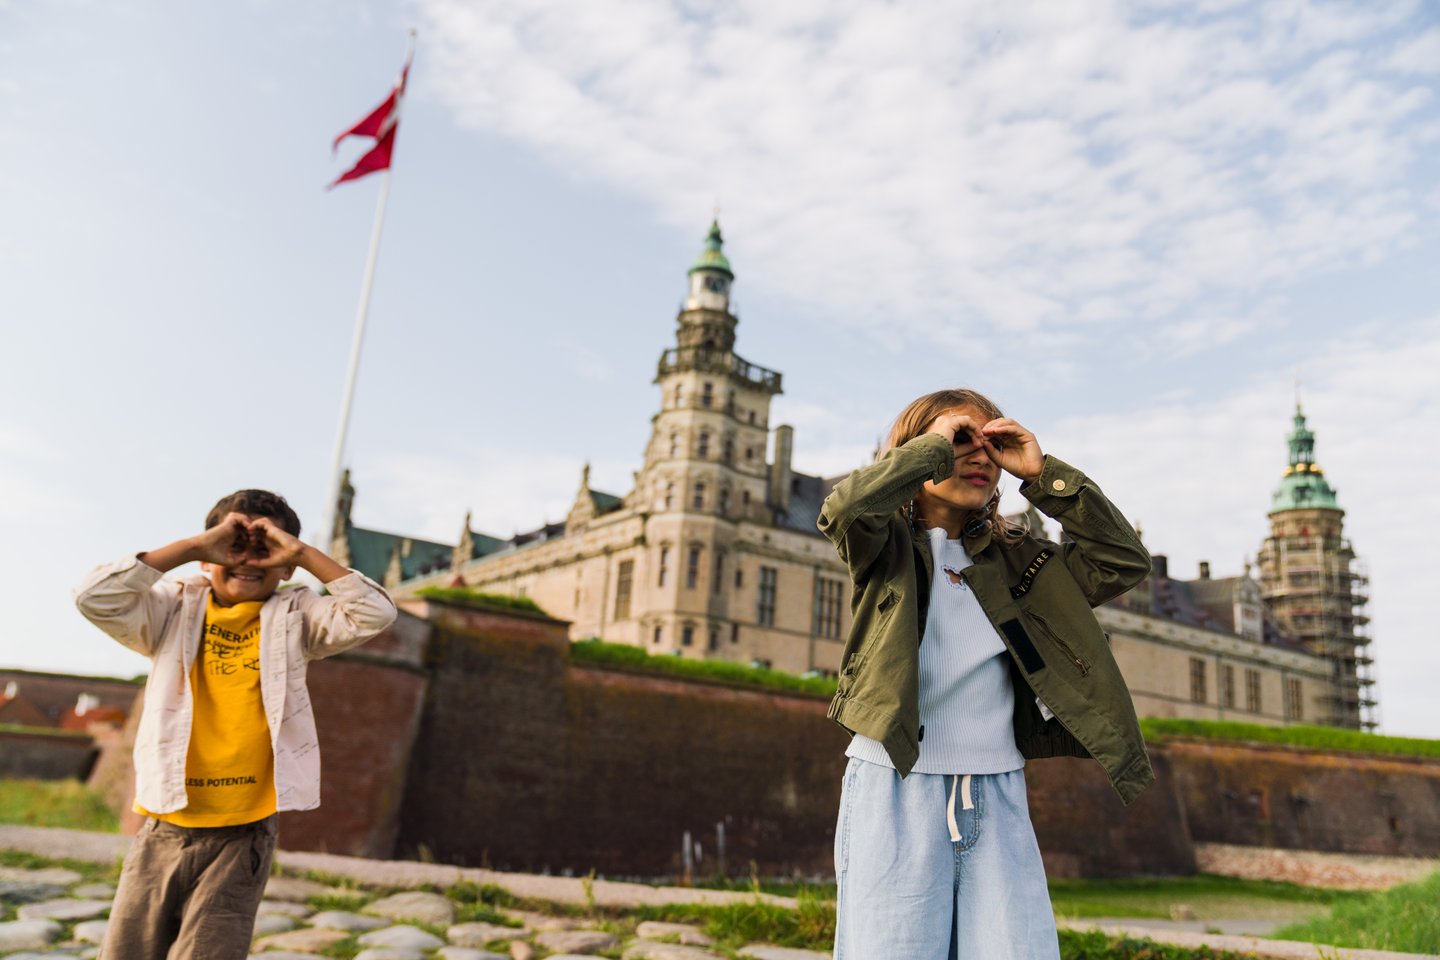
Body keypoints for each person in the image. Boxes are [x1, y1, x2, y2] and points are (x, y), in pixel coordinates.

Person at [818, 388, 1153, 959]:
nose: (978, 455)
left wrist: (1042, 474)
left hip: (995, 795)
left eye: (990, 444)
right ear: (918, 452)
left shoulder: (1023, 560)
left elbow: (1121, 560)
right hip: (893, 790)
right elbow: (843, 511)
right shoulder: (885, 547)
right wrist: (931, 451)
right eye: (960, 441)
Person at [74, 489, 397, 960]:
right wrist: (193, 547)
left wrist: (303, 555)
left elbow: (375, 613)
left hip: (243, 830)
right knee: (127, 952)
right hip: (164, 822)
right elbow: (93, 596)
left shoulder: (297, 614)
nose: (246, 560)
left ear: (285, 565)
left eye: (265, 551)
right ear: (208, 555)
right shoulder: (170, 609)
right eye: (232, 546)